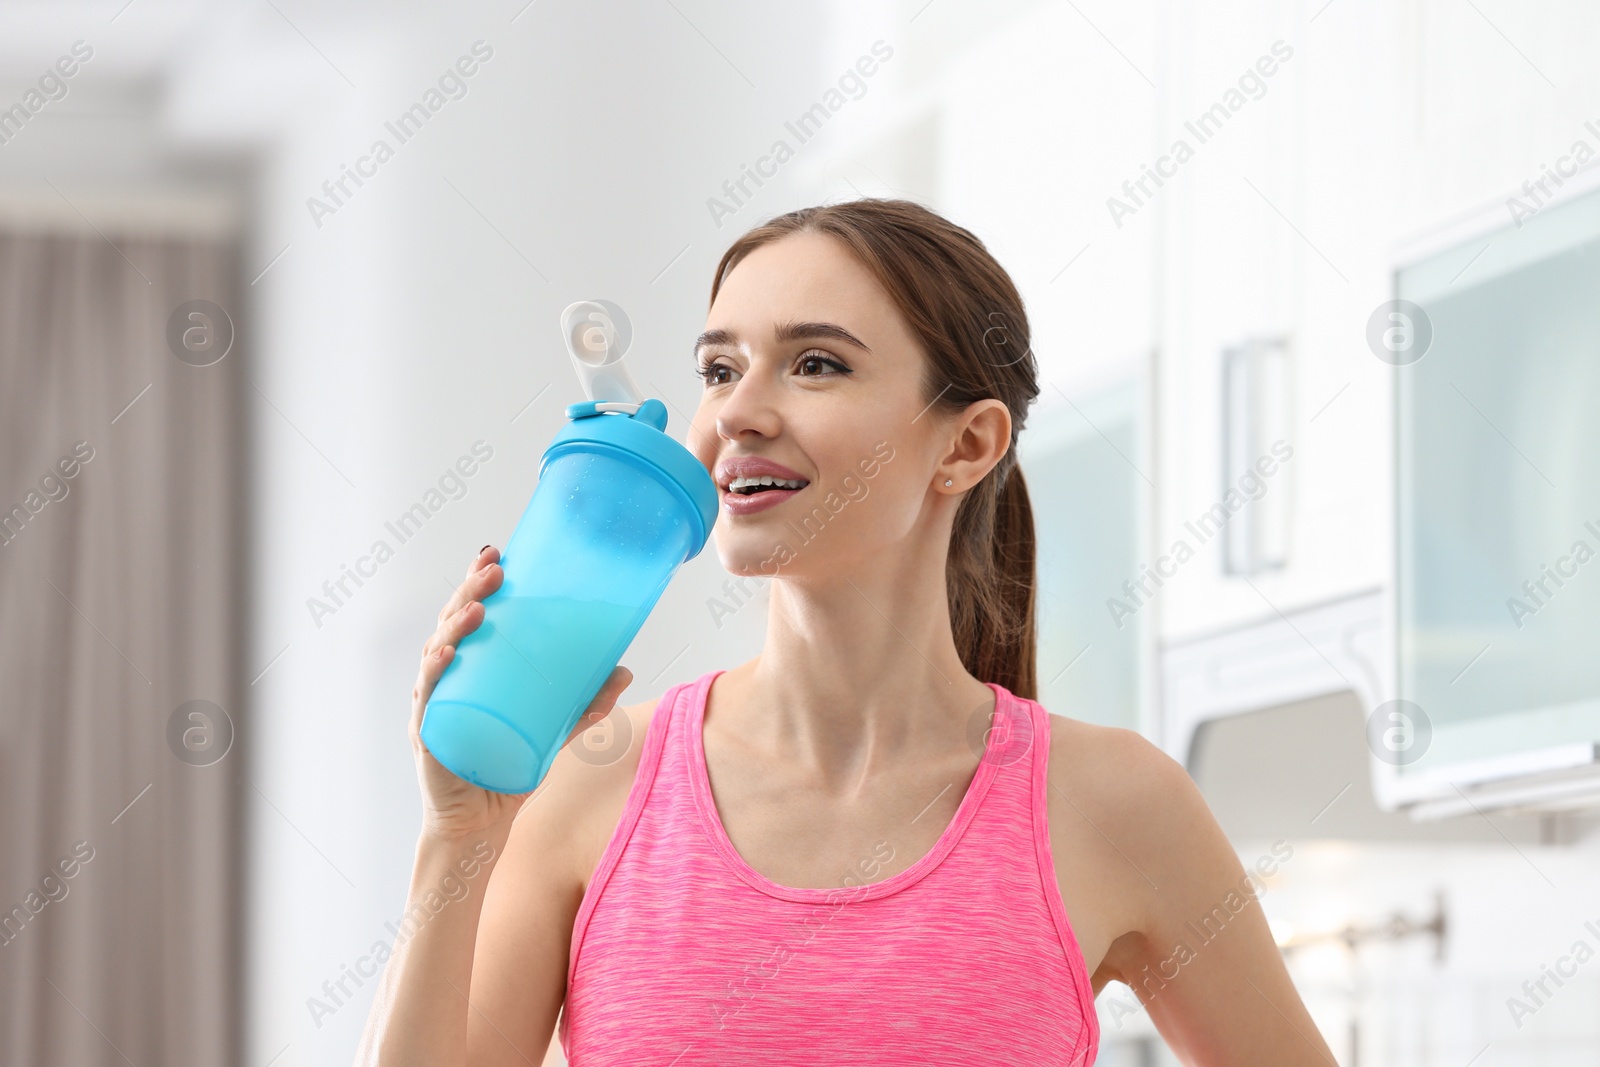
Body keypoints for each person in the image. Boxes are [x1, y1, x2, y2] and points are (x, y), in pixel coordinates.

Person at [355, 198, 1337, 1065]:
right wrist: (461, 836)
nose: (737, 410)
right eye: (719, 367)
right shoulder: (598, 779)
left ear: (965, 443)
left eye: (814, 363)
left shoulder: (1117, 805)